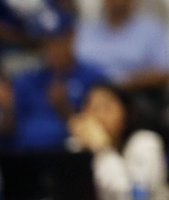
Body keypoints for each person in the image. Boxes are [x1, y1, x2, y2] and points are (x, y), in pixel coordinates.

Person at [7, 13, 106, 150]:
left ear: (71, 36)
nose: (52, 48)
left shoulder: (93, 77)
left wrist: (65, 109)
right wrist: (6, 108)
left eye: (58, 39)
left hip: (72, 155)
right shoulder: (25, 80)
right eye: (46, 42)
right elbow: (9, 127)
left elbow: (101, 128)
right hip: (22, 155)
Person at [68, 82, 169, 200]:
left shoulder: (145, 142)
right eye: (90, 108)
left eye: (105, 107)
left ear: (127, 112)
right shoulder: (77, 147)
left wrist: (102, 149)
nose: (98, 115)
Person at [74, 0, 169, 91]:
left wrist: (126, 81)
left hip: (133, 93)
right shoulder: (85, 29)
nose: (115, 2)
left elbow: (164, 73)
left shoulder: (151, 29)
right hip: (87, 91)